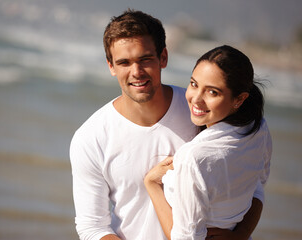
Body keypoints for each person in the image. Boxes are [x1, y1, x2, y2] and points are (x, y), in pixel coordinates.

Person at [70, 10, 264, 240]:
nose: (136, 72)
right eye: (124, 62)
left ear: (163, 57)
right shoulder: (90, 138)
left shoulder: (202, 111)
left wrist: (240, 235)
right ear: (111, 66)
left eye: (145, 59)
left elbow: (253, 183)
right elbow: (92, 227)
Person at [144, 45, 272, 240]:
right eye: (194, 84)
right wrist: (242, 234)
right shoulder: (257, 128)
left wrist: (152, 183)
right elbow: (258, 187)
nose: (196, 99)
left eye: (212, 92)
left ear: (239, 99)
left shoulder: (194, 157)